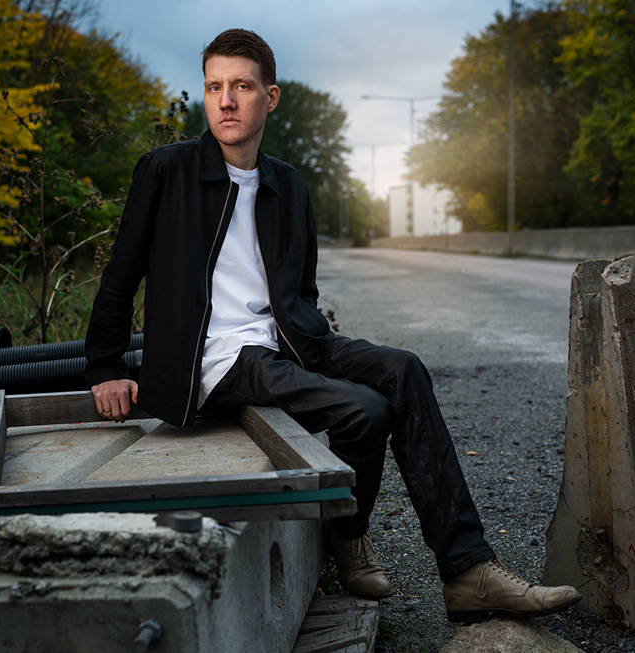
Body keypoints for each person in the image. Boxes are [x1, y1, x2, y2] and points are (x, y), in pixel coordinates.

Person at [85, 28, 580, 623]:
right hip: (215, 359)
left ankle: (468, 572)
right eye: (214, 87)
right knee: (363, 411)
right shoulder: (167, 171)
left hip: (289, 342)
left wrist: (311, 338)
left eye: (241, 86)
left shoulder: (288, 185)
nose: (226, 101)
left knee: (403, 369)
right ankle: (349, 536)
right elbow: (120, 275)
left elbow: (303, 289)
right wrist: (106, 366)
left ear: (270, 96)